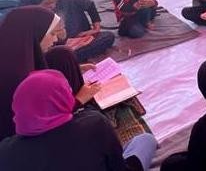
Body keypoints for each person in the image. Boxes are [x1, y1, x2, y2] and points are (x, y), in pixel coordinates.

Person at [0, 70, 157, 171]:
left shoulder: (6, 151)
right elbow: (118, 167)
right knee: (146, 140)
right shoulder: (93, 124)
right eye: (67, 90)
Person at [0, 6, 61, 139]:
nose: (55, 39)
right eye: (52, 33)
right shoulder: (18, 76)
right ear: (36, 32)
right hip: (17, 142)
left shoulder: (16, 55)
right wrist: (79, 100)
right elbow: (40, 122)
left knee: (61, 54)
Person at [19, 0, 115, 62]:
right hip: (57, 47)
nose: (53, 6)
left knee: (108, 37)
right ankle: (66, 58)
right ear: (34, 4)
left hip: (79, 38)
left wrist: (96, 28)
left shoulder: (62, 0)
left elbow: (90, 4)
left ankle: (66, 58)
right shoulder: (28, 16)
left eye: (54, 1)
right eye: (47, 3)